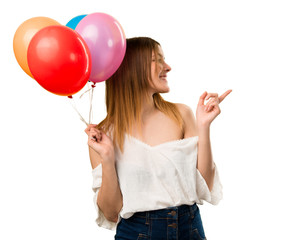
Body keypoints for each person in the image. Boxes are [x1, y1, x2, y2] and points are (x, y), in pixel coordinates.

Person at [84, 37, 231, 239]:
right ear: (132, 68)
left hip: (190, 230)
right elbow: (111, 213)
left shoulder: (181, 114)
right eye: (158, 60)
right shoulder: (102, 137)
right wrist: (108, 158)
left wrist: (204, 126)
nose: (168, 67)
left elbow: (203, 185)